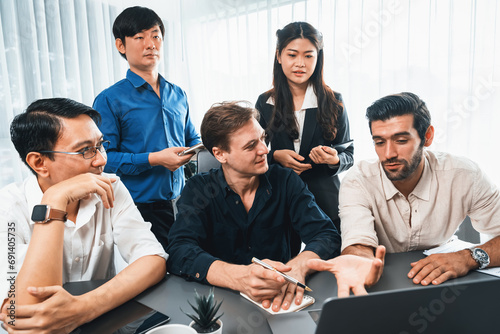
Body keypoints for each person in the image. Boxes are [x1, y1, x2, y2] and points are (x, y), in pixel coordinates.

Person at [167, 101, 384, 312]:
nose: (264, 150)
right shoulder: (199, 189)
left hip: (282, 299)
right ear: (219, 154)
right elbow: (179, 250)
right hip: (220, 304)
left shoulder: (286, 181)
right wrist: (238, 277)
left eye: (263, 138)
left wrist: (299, 267)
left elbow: (326, 235)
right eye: (251, 145)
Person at [0, 98, 167, 333]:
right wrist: (54, 200)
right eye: (85, 150)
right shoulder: (7, 207)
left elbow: (153, 259)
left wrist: (84, 308)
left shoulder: (110, 187)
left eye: (100, 145)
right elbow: (23, 315)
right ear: (39, 163)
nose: (101, 159)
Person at [309, 92, 500, 287]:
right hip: (384, 282)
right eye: (380, 142)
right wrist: (360, 263)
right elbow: (358, 245)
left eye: (401, 140)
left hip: (445, 282)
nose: (389, 154)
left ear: (427, 136)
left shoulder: (464, 174)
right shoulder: (359, 180)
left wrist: (467, 258)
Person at [93, 6, 201, 249]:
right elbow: (102, 160)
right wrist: (154, 159)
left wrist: (208, 145)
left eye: (155, 36)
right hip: (138, 208)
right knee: (157, 276)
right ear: (121, 45)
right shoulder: (109, 99)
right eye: (140, 37)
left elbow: (192, 137)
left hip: (183, 202)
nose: (150, 44)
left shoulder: (178, 93)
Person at [255, 22, 353, 236]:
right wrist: (274, 156)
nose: (300, 63)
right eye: (292, 55)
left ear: (318, 58)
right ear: (279, 56)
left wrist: (333, 159)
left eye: (308, 56)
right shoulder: (265, 102)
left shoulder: (334, 101)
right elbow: (253, 150)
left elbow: (348, 154)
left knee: (329, 262)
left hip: (325, 204)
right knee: (281, 264)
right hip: (278, 200)